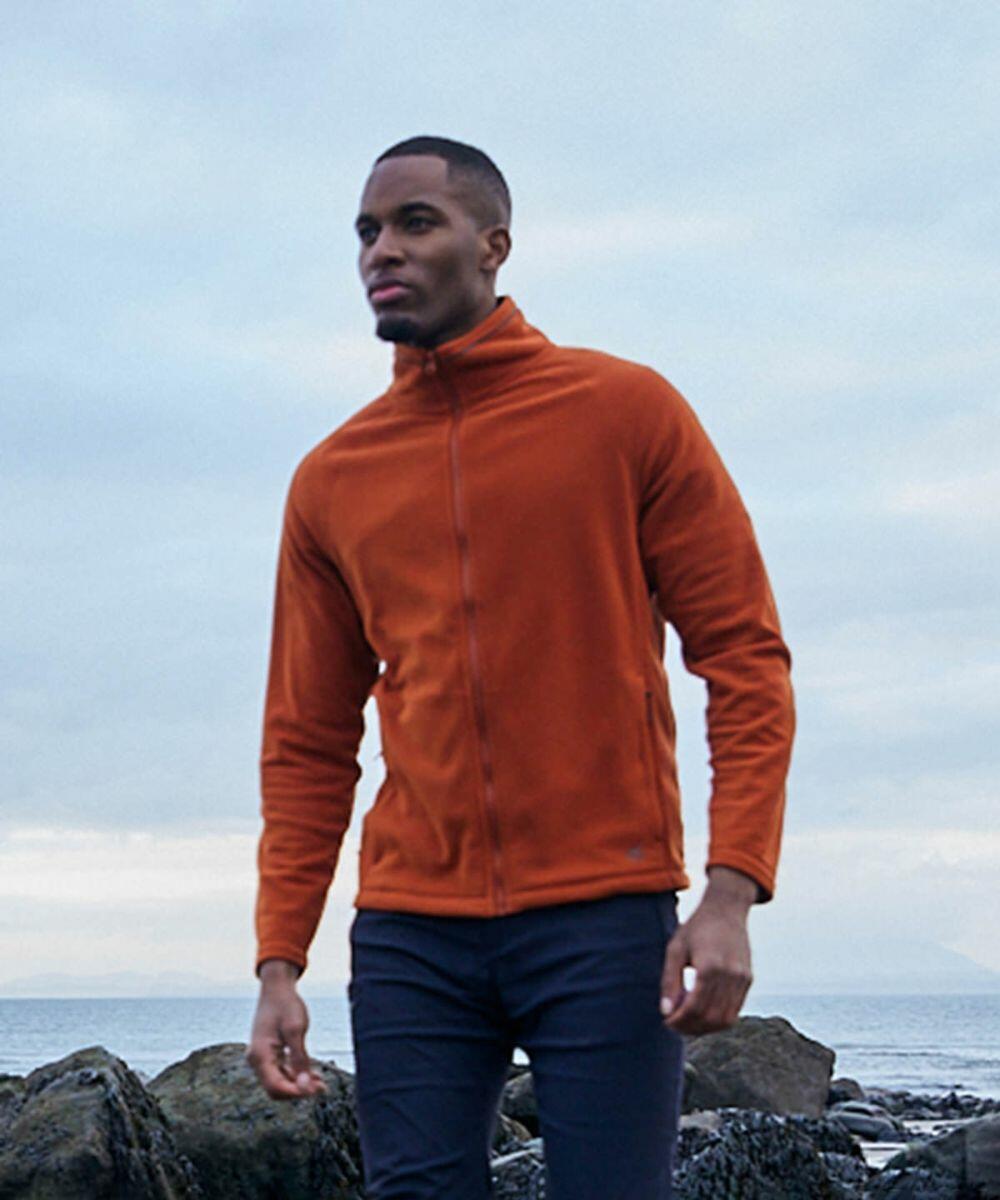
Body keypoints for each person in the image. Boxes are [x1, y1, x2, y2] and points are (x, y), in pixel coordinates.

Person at [246, 134, 795, 1199]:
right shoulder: (331, 480)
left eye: (414, 222)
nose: (381, 251)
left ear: (493, 245)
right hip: (411, 932)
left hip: (604, 913)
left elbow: (742, 655)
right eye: (366, 230)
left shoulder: (624, 413)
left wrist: (730, 893)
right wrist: (280, 960)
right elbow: (307, 740)